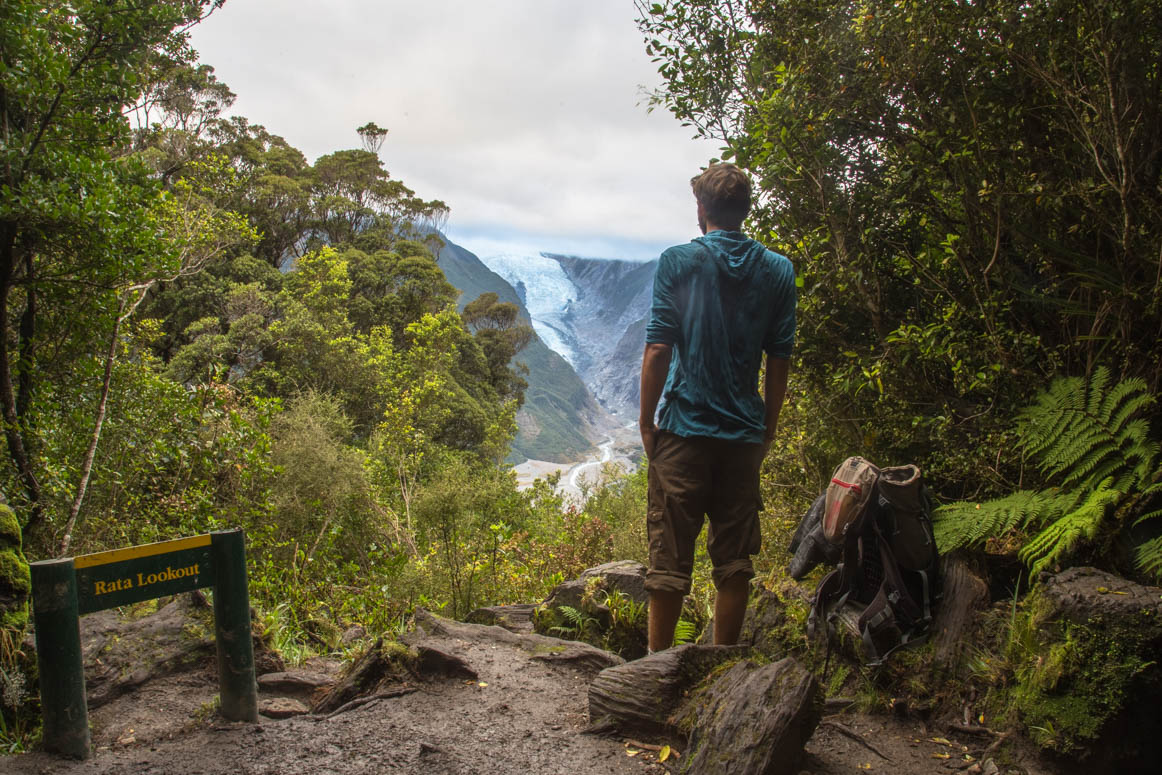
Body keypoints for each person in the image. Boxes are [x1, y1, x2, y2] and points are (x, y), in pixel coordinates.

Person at [638, 162, 797, 652]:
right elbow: (779, 360)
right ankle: (724, 670)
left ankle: (653, 674)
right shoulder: (778, 270)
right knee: (733, 562)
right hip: (743, 437)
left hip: (684, 431)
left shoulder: (679, 261)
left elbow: (659, 349)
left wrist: (647, 422)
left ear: (701, 209)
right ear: (745, 211)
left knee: (668, 560)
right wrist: (766, 428)